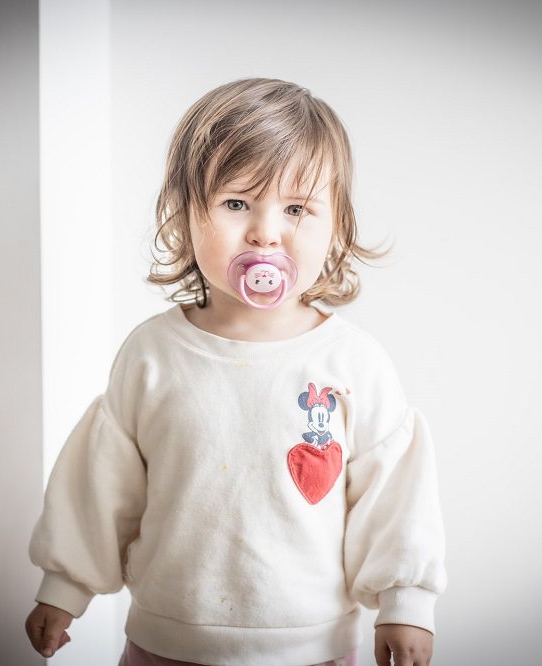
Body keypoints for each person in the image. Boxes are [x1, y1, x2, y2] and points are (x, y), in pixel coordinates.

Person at [24, 77, 447, 666]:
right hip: (166, 643)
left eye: (296, 209)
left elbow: (395, 495)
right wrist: (64, 587)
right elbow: (101, 482)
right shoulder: (152, 355)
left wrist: (406, 601)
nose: (265, 233)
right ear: (186, 215)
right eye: (235, 203)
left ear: (338, 226)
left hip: (315, 647)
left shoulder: (352, 363)